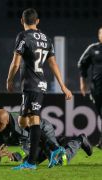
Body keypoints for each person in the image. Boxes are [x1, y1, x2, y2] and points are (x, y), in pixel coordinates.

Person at [6, 8, 72, 170]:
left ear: (22, 21)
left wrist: (9, 80)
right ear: (37, 21)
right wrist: (63, 86)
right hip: (40, 83)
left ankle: (31, 162)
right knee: (22, 122)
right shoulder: (46, 39)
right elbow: (53, 64)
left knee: (33, 119)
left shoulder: (23, 36)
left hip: (31, 84)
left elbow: (15, 63)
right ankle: (55, 148)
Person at [0, 109, 93, 168]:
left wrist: (16, 155)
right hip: (36, 141)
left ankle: (80, 140)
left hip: (43, 131)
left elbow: (29, 143)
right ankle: (59, 142)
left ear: (7, 122)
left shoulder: (19, 125)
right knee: (28, 161)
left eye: (0, 124)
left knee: (60, 161)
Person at [78, 27, 102, 149]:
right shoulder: (93, 49)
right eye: (101, 33)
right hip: (97, 88)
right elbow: (82, 64)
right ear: (98, 35)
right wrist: (83, 82)